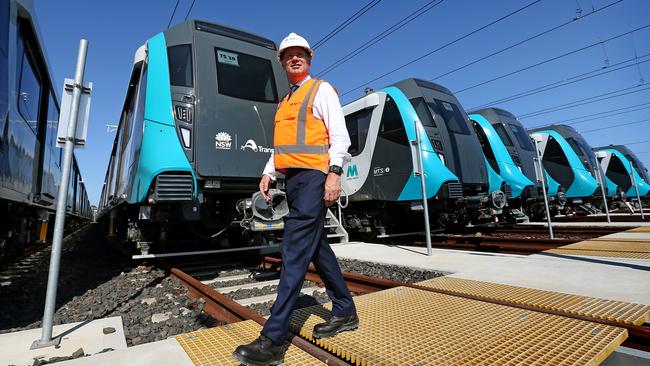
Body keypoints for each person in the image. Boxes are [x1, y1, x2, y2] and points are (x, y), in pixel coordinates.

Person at [233, 32, 358, 366]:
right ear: (282, 62)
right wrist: (268, 172)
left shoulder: (321, 90)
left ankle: (273, 339)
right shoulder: (286, 102)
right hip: (294, 180)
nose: (295, 58)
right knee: (316, 247)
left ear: (309, 58)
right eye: (289, 54)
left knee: (294, 249)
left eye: (300, 53)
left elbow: (340, 136)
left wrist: (334, 173)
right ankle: (345, 311)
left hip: (315, 177)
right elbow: (282, 148)